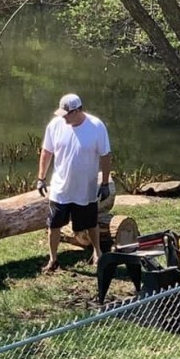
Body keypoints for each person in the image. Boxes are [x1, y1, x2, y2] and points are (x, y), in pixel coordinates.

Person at [36, 93, 111, 273]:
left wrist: (106, 183)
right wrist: (41, 178)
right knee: (53, 224)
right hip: (61, 187)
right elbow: (47, 152)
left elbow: (105, 156)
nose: (63, 117)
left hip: (85, 188)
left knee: (90, 223)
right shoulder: (55, 125)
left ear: (78, 111)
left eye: (67, 113)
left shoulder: (96, 127)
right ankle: (53, 259)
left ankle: (97, 253)